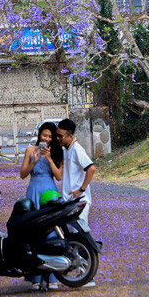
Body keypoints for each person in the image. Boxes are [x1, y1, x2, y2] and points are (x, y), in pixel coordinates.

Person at [20, 121, 63, 290]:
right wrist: (34, 161)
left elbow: (59, 176)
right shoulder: (31, 150)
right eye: (44, 135)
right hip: (33, 190)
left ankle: (52, 276)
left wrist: (49, 159)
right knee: (33, 233)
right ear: (39, 135)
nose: (46, 138)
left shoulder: (57, 152)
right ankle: (36, 276)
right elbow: (23, 174)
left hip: (49, 192)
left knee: (52, 232)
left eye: (50, 136)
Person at [56, 117, 96, 287]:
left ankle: (88, 276)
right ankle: (81, 273)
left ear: (70, 136)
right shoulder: (66, 149)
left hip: (80, 201)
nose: (58, 138)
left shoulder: (77, 149)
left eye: (61, 136)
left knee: (81, 236)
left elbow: (91, 168)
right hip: (70, 201)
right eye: (57, 135)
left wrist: (82, 188)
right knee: (72, 236)